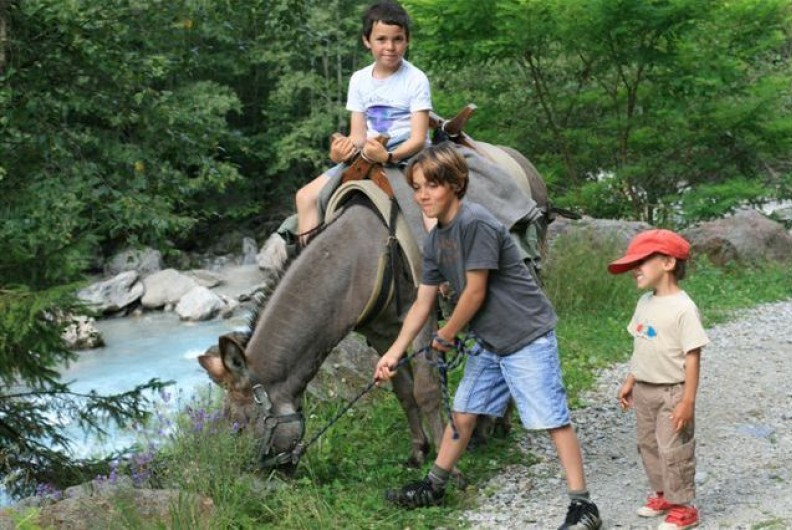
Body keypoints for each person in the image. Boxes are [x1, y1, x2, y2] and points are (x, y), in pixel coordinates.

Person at [373, 142, 602, 530]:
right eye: (416, 188)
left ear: (456, 185)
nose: (422, 195)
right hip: (490, 342)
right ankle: (434, 484)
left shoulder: (475, 223)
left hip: (525, 335)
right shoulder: (436, 240)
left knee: (551, 418)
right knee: (464, 410)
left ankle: (584, 507)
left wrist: (446, 334)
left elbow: (475, 292)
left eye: (431, 186)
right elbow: (422, 303)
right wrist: (394, 353)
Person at [295, 0, 432, 242]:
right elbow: (358, 136)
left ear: (407, 40)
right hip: (368, 153)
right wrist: (342, 151)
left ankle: (443, 271)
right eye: (381, 39)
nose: (390, 47)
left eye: (397, 39)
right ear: (367, 41)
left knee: (431, 213)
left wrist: (389, 157)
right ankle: (309, 263)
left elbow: (419, 139)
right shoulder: (359, 80)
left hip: (409, 155)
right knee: (305, 197)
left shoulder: (415, 79)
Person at [609, 229, 710, 530]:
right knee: (648, 444)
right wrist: (630, 379)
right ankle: (664, 494)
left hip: (672, 392)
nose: (634, 270)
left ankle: (684, 506)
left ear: (667, 262)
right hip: (644, 390)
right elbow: (642, 344)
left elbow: (693, 357)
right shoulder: (645, 303)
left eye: (640, 262)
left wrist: (687, 402)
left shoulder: (684, 308)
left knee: (673, 449)